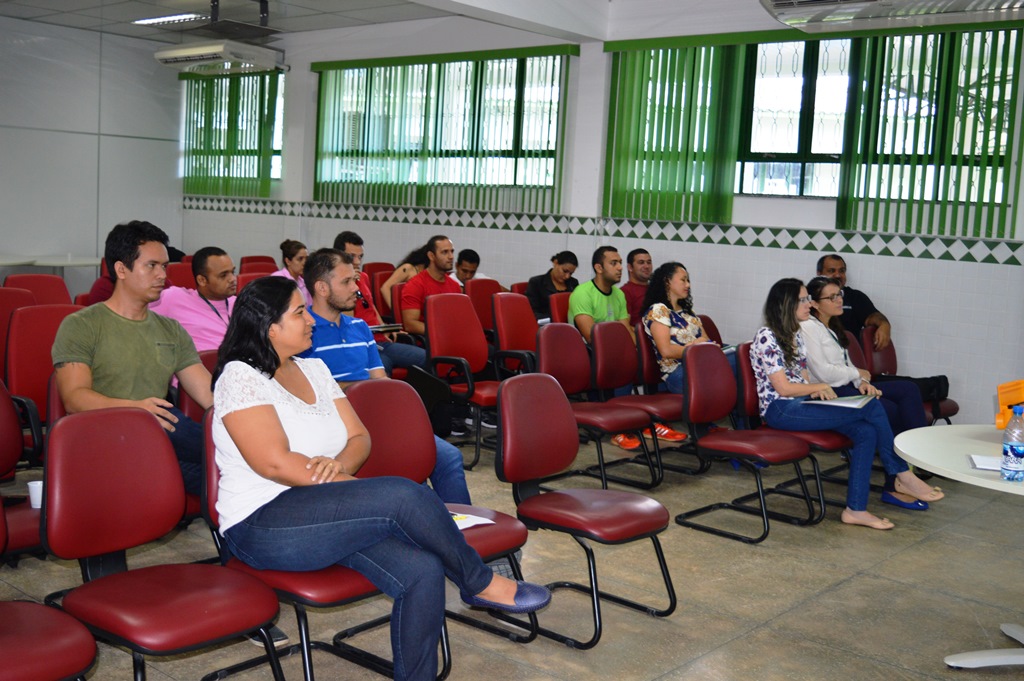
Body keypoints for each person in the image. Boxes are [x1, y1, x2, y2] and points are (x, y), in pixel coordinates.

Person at [210, 275, 550, 681]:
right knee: (402, 497)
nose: (311, 321)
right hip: (263, 524)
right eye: (299, 312)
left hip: (322, 511)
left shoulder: (315, 369)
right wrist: (353, 488)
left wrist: (338, 466)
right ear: (269, 327)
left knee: (422, 570)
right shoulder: (240, 376)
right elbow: (275, 465)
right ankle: (478, 581)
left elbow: (359, 438)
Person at [749, 278, 944, 530]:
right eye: (803, 299)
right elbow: (783, 388)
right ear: (785, 304)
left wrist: (818, 391)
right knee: (871, 406)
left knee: (866, 430)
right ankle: (901, 474)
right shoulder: (767, 335)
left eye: (808, 298)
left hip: (804, 403)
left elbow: (804, 377)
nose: (809, 304)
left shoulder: (795, 334)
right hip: (782, 409)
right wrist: (819, 387)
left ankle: (856, 509)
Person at [51, 221, 210, 495]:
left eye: (165, 266)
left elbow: (209, 394)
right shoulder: (82, 325)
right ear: (121, 269)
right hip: (104, 438)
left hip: (158, 432)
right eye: (152, 266)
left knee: (226, 462)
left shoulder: (170, 329)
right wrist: (137, 410)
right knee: (220, 472)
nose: (163, 275)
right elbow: (74, 399)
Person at [300, 248, 470, 505]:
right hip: (342, 426)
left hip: (379, 415)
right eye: (347, 282)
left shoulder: (360, 328)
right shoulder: (304, 333)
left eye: (355, 280)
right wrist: (364, 390)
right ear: (322, 288)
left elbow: (380, 381)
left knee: (449, 457)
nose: (356, 288)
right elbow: (311, 392)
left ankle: (461, 532)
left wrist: (392, 398)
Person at [570, 246, 686, 450]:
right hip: (586, 354)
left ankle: (647, 421)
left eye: (620, 263)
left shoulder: (617, 295)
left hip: (614, 352)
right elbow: (590, 335)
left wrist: (641, 351)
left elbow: (627, 330)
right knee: (624, 362)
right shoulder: (582, 293)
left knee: (649, 359)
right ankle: (620, 429)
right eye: (613, 263)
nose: (619, 268)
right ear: (598, 267)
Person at [802, 276, 927, 440]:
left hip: (846, 384)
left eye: (839, 295)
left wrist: (862, 383)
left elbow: (847, 364)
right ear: (815, 304)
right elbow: (824, 373)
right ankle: (904, 456)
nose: (839, 300)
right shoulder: (809, 326)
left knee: (909, 389)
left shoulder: (832, 325)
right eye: (832, 297)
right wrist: (857, 375)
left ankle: (919, 449)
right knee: (888, 408)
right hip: (828, 391)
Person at [332, 231, 428, 376]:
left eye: (360, 256)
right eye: (352, 256)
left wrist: (384, 327)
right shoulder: (337, 284)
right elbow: (347, 322)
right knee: (383, 367)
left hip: (380, 340)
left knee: (426, 358)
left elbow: (371, 306)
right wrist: (350, 283)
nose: (357, 262)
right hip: (362, 345)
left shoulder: (363, 277)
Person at [641, 262, 713, 394]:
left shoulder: (687, 311)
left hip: (699, 365)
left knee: (736, 363)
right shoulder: (659, 310)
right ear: (667, 281)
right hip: (678, 372)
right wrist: (694, 348)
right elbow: (666, 350)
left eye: (688, 281)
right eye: (683, 280)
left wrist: (700, 344)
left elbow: (706, 340)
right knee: (735, 364)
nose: (688, 285)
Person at [149, 246, 237, 352]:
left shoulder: (240, 304)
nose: (232, 279)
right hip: (201, 365)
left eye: (233, 272)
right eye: (223, 275)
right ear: (202, 280)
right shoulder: (174, 298)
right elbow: (134, 309)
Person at [816, 254, 891, 349]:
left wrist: (884, 324)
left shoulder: (855, 297)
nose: (838, 275)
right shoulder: (808, 297)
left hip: (849, 357)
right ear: (819, 274)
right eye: (831, 271)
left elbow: (872, 316)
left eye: (842, 271)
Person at [400, 235, 460, 336]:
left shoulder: (455, 286)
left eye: (452, 251)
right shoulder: (415, 285)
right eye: (445, 252)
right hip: (427, 341)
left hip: (451, 339)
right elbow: (410, 324)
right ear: (431, 256)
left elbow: (458, 318)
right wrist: (441, 332)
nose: (451, 257)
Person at [525, 251, 579, 320]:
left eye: (571, 273)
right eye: (565, 271)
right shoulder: (537, 282)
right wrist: (554, 319)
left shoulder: (573, 283)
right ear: (555, 263)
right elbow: (531, 312)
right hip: (545, 325)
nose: (567, 276)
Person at [379, 245, 429, 310]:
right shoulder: (408, 268)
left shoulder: (434, 275)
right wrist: (396, 313)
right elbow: (385, 288)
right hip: (406, 311)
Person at [271, 239, 311, 307]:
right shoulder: (277, 279)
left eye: (306, 258)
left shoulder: (304, 283)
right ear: (288, 261)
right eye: (300, 259)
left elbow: (310, 307)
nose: (305, 263)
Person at [622, 248, 653, 326]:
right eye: (641, 262)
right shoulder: (625, 292)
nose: (646, 266)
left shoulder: (656, 290)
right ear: (630, 267)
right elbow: (625, 327)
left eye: (649, 262)